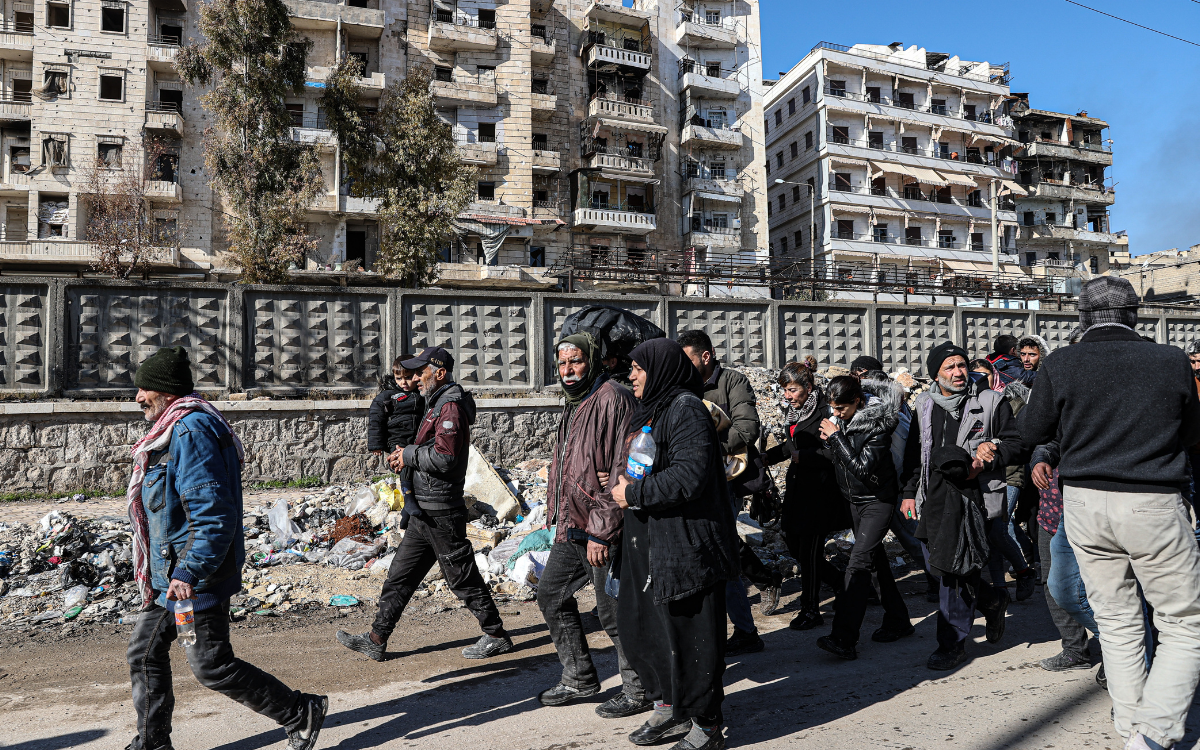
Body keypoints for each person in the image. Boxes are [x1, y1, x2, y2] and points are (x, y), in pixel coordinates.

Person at [1020, 277, 1200, 750]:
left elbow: (1033, 429)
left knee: (1116, 620)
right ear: (1135, 315)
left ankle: (1131, 728)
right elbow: (1191, 433)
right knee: (1184, 621)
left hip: (1083, 500)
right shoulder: (1172, 360)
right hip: (1153, 500)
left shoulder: (1061, 362)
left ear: (1082, 317)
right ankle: (1153, 733)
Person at [125, 347, 327, 750]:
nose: (138, 397)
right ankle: (152, 743)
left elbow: (215, 517)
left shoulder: (190, 431)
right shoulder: (174, 428)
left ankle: (298, 711)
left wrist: (188, 571)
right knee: (143, 654)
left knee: (211, 665)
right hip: (170, 575)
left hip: (192, 576)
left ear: (166, 391)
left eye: (145, 388)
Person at [337, 347, 513, 662]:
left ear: (440, 373)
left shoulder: (450, 409)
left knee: (461, 576)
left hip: (442, 509)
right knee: (400, 576)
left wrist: (407, 454)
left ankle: (496, 634)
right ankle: (376, 639)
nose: (415, 379)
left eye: (421, 373)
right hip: (424, 509)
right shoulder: (434, 404)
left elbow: (445, 458)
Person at [611, 338, 740, 750]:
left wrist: (632, 495)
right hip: (652, 544)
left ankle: (706, 725)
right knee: (650, 631)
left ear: (662, 370)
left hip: (687, 548)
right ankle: (670, 706)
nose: (631, 375)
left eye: (638, 368)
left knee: (692, 638)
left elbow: (688, 477)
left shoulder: (687, 411)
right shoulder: (655, 409)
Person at [536, 333, 651, 719]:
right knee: (551, 594)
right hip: (574, 522)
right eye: (562, 363)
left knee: (613, 614)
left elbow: (622, 467)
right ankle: (579, 677)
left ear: (594, 361)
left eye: (576, 362)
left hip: (601, 525)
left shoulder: (612, 397)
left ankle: (639, 690)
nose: (568, 370)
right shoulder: (576, 401)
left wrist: (603, 529)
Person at [901, 342, 1023, 670]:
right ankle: (992, 599)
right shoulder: (925, 404)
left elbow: (1016, 442)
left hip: (973, 498)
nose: (958, 373)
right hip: (933, 498)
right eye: (949, 367)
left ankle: (952, 643)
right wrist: (909, 492)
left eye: (961, 365)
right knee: (939, 566)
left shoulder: (990, 400)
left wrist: (992, 448)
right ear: (935, 374)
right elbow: (915, 455)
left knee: (952, 574)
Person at [678, 329, 779, 654]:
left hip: (727, 483)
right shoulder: (684, 386)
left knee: (721, 554)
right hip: (695, 481)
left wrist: (702, 442)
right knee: (719, 552)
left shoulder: (733, 382)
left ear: (706, 356)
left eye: (688, 359)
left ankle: (744, 629)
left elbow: (747, 429)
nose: (683, 366)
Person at [815, 376, 913, 660]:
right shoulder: (841, 418)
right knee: (874, 563)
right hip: (854, 501)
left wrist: (836, 438)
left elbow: (861, 468)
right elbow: (839, 459)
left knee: (857, 564)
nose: (835, 414)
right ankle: (899, 619)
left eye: (841, 408)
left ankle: (843, 638)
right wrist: (830, 442)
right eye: (832, 408)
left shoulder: (878, 425)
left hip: (877, 502)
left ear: (857, 402)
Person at [764, 360, 849, 631]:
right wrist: (766, 457)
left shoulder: (826, 412)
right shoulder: (795, 413)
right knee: (793, 544)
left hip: (821, 492)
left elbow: (838, 452)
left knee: (811, 552)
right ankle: (840, 583)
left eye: (792, 390)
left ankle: (811, 609)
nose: (788, 397)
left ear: (808, 387)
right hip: (799, 491)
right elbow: (791, 448)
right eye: (785, 391)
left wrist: (806, 457)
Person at [968, 360, 1037, 600]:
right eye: (974, 375)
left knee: (999, 529)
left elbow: (1018, 441)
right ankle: (1000, 586)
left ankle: (1023, 570)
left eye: (985, 375)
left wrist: (994, 446)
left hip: (1009, 474)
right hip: (983, 477)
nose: (980, 380)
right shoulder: (969, 403)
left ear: (994, 376)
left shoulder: (1011, 401)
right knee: (991, 532)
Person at [367, 355, 425, 458]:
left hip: (420, 438)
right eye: (398, 378)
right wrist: (376, 444)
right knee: (400, 461)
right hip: (397, 438)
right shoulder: (387, 396)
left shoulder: (423, 393)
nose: (403, 382)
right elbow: (376, 419)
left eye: (408, 377)